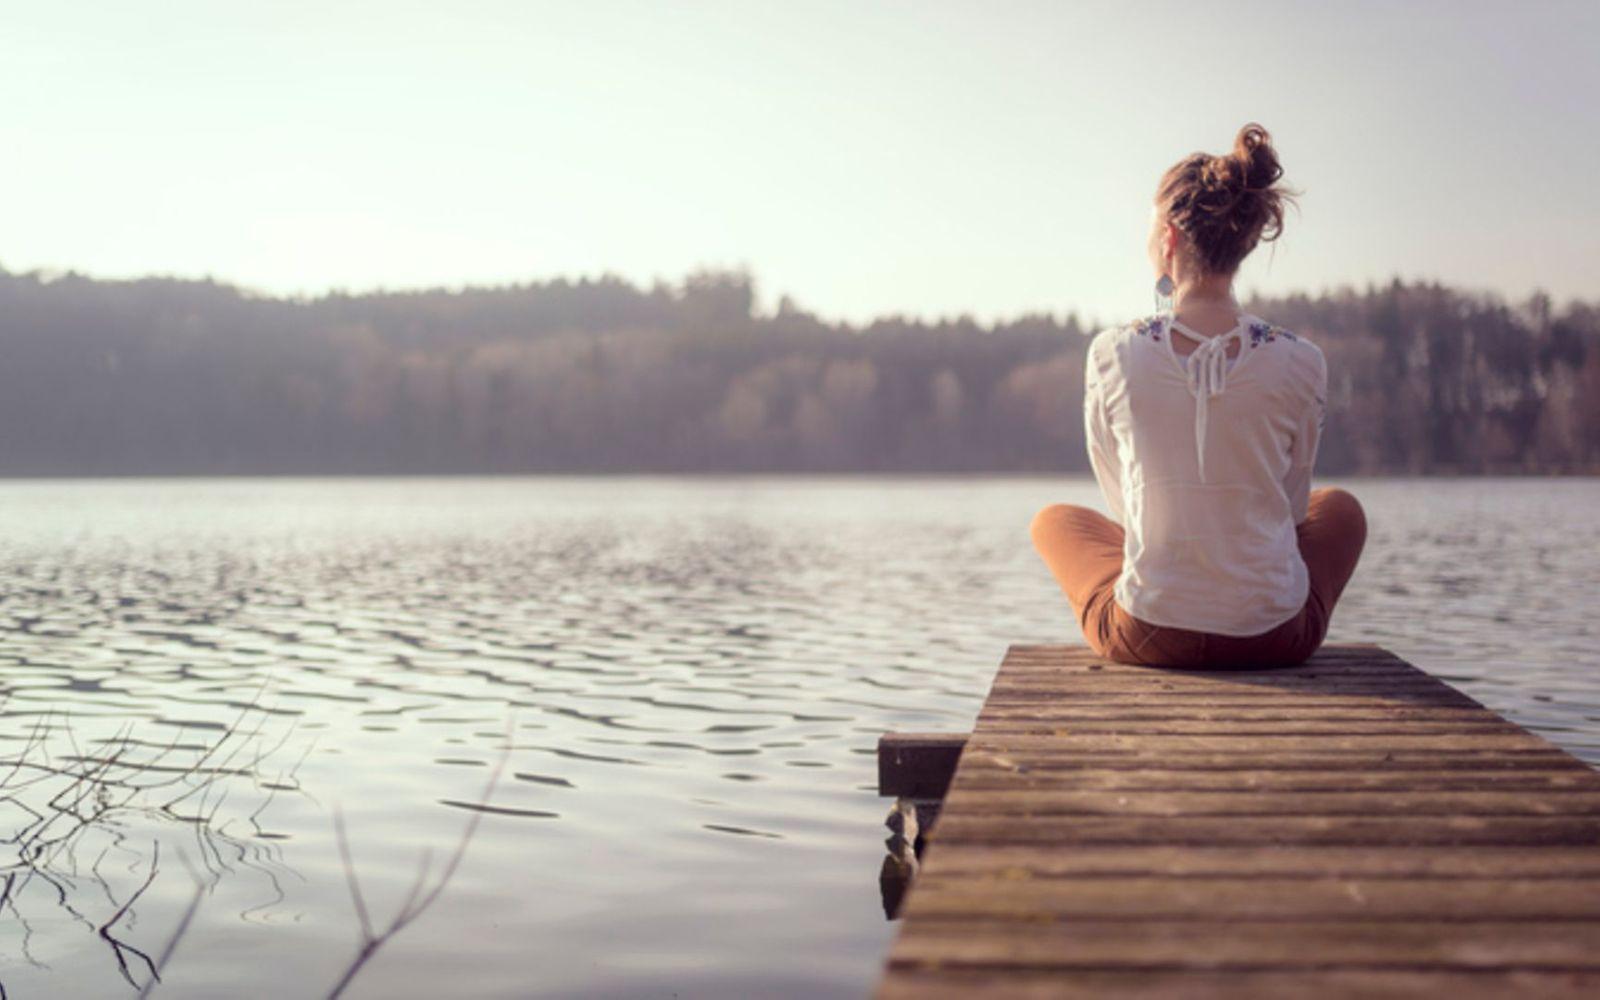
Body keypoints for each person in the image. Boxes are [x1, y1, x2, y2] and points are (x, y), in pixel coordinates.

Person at [1030, 123, 1366, 669]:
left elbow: (1122, 502)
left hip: (1148, 633)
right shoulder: (1304, 359)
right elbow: (1293, 504)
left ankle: (1174, 582)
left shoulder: (1111, 353)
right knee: (1341, 510)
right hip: (1275, 637)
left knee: (1053, 521)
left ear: (1168, 238)